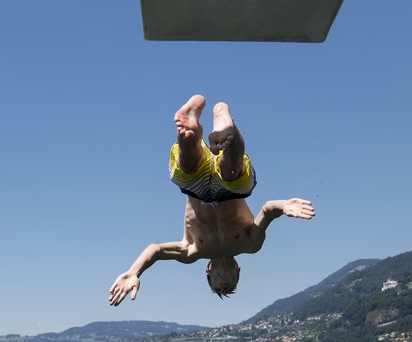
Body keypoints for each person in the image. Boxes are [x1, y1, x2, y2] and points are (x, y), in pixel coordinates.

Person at [109, 94, 315, 305]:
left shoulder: (192, 251)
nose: (226, 284)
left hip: (196, 191)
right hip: (232, 192)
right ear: (238, 269)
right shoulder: (250, 245)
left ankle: (191, 130)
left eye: (218, 284)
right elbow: (268, 210)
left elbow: (156, 250)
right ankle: (226, 127)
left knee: (187, 165)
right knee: (232, 170)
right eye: (232, 284)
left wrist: (133, 271)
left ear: (207, 270)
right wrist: (285, 206)